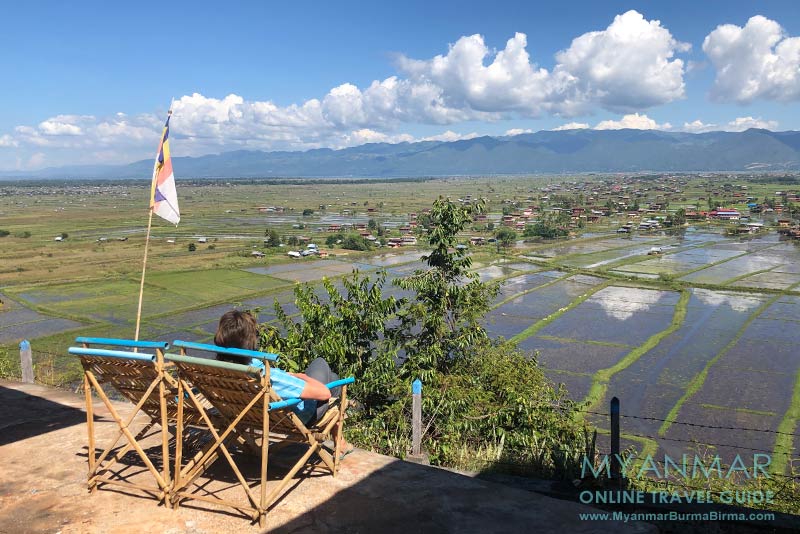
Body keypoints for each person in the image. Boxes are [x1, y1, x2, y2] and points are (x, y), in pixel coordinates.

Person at [214, 310, 352, 454]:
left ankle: (341, 441)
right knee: (324, 368)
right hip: (298, 416)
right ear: (249, 341)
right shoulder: (266, 376)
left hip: (247, 414)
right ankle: (340, 442)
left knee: (333, 377)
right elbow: (324, 393)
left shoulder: (217, 370)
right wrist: (300, 375)